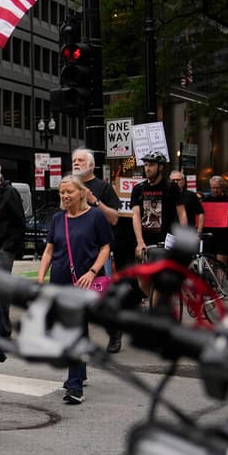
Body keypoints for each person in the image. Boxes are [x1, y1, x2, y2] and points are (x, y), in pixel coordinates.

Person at [36, 176, 112, 405]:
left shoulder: (95, 217)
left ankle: (75, 384)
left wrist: (92, 271)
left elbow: (105, 247)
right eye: (61, 193)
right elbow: (49, 252)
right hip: (58, 281)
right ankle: (80, 371)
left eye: (69, 191)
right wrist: (41, 279)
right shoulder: (59, 219)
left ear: (81, 192)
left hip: (83, 283)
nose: (65, 196)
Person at [71, 147, 125, 352]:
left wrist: (95, 202)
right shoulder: (70, 186)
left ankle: (114, 332)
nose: (76, 163)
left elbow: (114, 218)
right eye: (74, 160)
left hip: (99, 251)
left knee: (103, 297)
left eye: (81, 161)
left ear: (91, 166)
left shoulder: (102, 187)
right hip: (75, 250)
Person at [130, 151, 188, 260]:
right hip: (144, 242)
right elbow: (136, 216)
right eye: (146, 165)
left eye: (151, 165)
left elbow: (182, 213)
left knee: (165, 275)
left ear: (160, 167)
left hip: (166, 242)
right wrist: (140, 241)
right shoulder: (138, 189)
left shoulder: (171, 187)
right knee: (143, 274)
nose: (147, 168)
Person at [200, 175, 228, 282]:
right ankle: (211, 286)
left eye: (217, 188)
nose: (215, 190)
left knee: (221, 264)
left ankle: (219, 288)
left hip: (223, 236)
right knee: (209, 263)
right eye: (213, 188)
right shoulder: (206, 200)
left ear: (222, 187)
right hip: (209, 236)